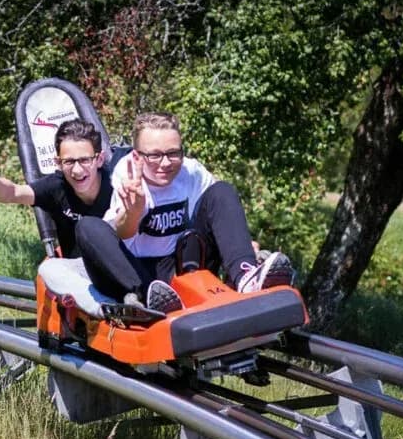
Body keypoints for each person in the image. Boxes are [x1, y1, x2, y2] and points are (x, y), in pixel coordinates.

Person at [75, 111, 294, 312]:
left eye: (173, 153)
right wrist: (136, 208)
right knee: (87, 227)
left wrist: (243, 245)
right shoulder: (128, 173)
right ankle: (150, 300)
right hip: (137, 271)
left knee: (222, 190)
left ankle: (245, 276)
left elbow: (221, 209)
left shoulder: (191, 171)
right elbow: (123, 233)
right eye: (154, 155)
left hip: (182, 265)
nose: (165, 163)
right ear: (137, 156)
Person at [0, 118, 112, 258]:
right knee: (47, 272)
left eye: (85, 160)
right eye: (69, 162)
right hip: (75, 271)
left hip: (117, 270)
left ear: (99, 159)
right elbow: (11, 193)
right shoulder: (56, 187)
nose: (77, 170)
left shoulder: (117, 183)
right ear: (58, 163)